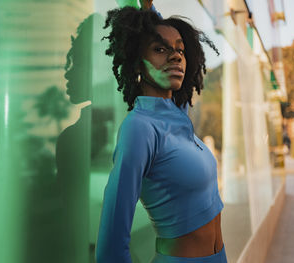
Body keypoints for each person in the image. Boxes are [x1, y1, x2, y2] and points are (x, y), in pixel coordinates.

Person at [95, 3, 227, 263]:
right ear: (137, 64)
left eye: (180, 49)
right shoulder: (139, 127)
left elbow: (157, 32)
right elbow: (112, 236)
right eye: (160, 49)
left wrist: (149, 8)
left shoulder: (176, 115)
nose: (176, 56)